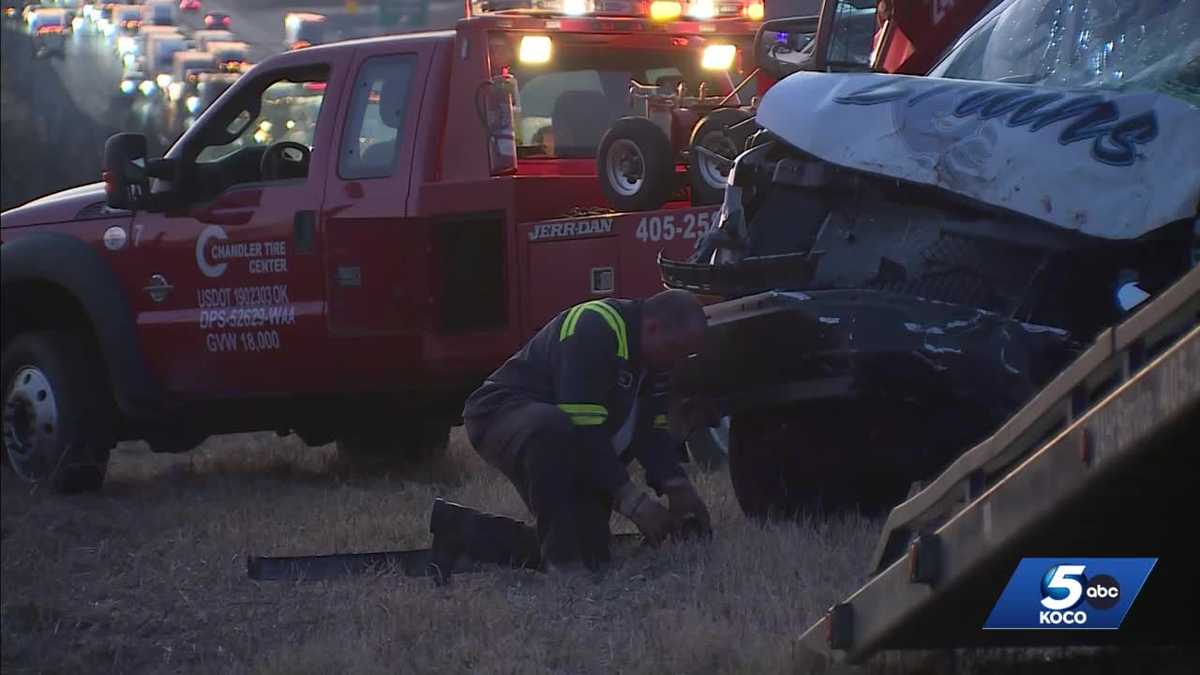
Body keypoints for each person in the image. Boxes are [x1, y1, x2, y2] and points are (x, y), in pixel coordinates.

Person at [430, 289, 714, 581]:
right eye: (676, 351)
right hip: (501, 413)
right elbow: (584, 428)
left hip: (566, 440)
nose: (677, 363)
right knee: (552, 425)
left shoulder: (656, 361)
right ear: (654, 328)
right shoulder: (594, 326)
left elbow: (651, 432)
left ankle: (459, 529)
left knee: (591, 551)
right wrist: (634, 503)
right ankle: (562, 564)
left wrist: (678, 486)